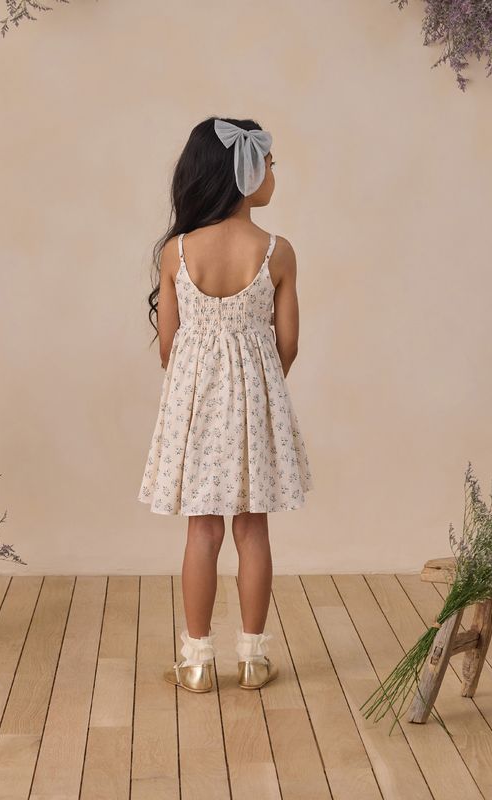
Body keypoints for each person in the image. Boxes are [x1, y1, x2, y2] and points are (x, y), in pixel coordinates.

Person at [138, 117, 314, 693]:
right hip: (254, 408)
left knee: (202, 532)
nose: (275, 172)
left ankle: (194, 661)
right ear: (244, 173)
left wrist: (200, 382)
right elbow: (287, 343)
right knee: (252, 529)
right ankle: (253, 659)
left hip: (195, 409)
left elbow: (169, 345)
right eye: (270, 161)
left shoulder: (177, 251)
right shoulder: (277, 252)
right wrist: (257, 384)